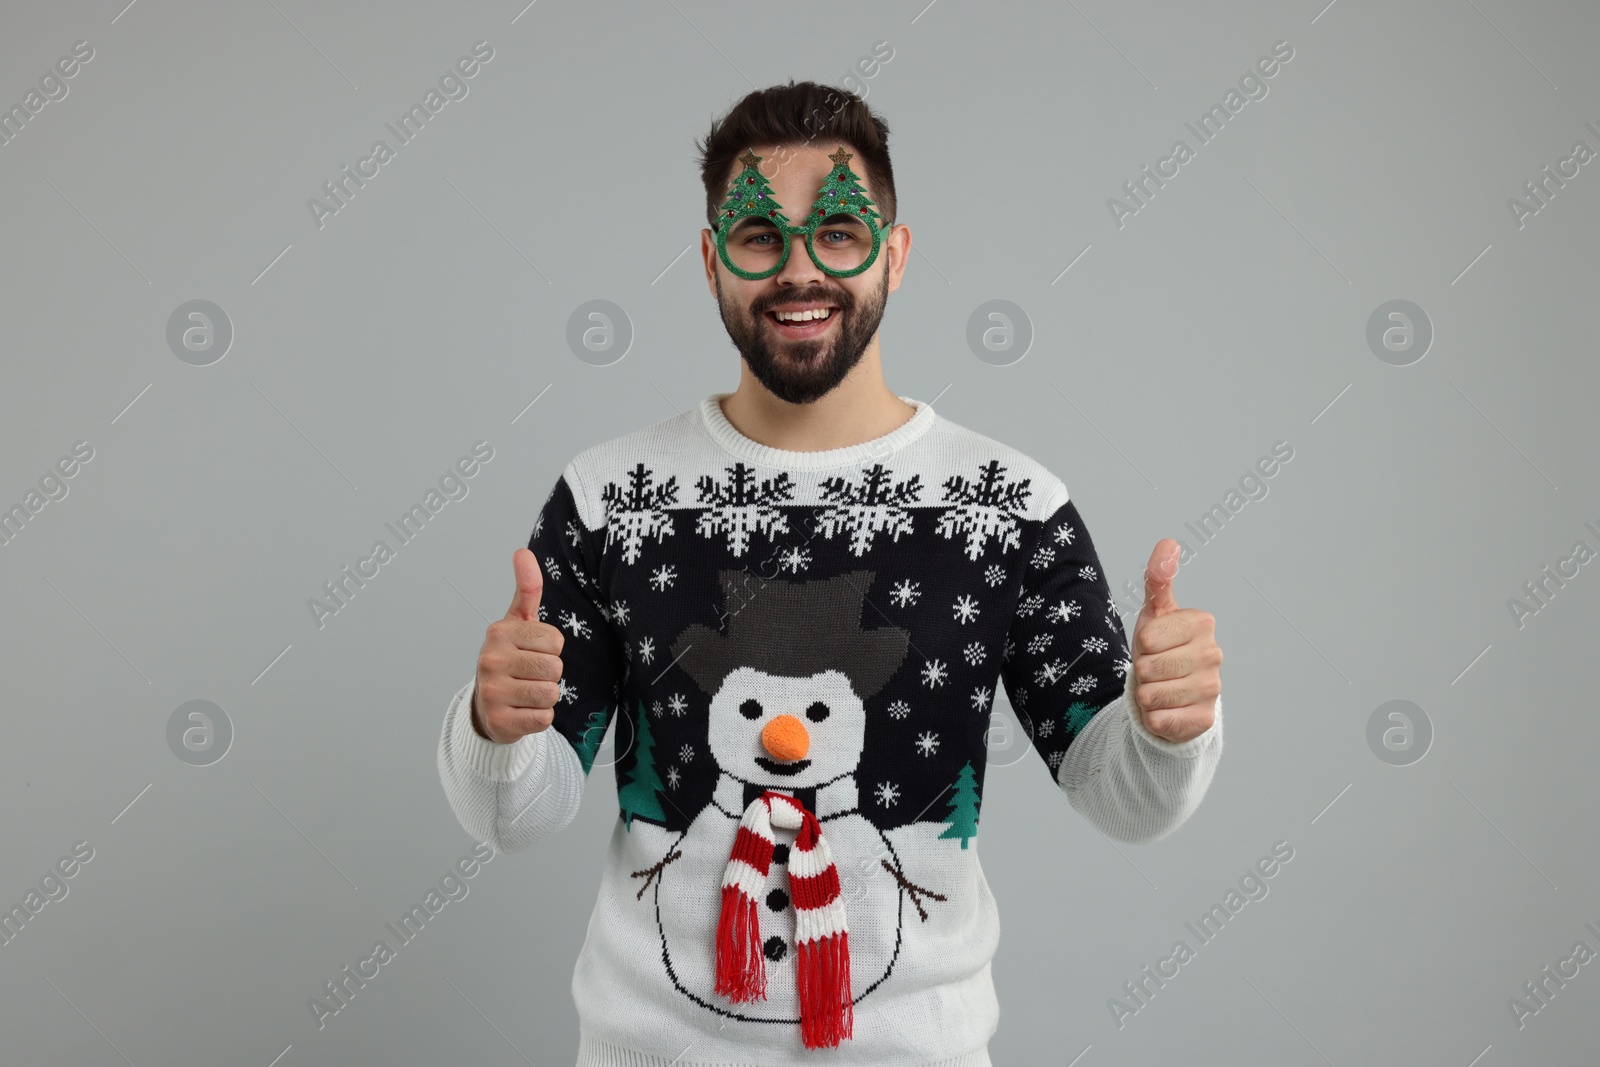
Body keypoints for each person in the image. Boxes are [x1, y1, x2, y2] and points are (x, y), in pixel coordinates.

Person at [437, 80, 1224, 1067]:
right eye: (759, 236)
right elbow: (518, 810)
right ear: (710, 260)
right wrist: (494, 726)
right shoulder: (608, 498)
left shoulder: (1009, 506)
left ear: (893, 252)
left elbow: (1127, 799)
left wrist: (1167, 727)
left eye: (840, 233)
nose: (799, 269)